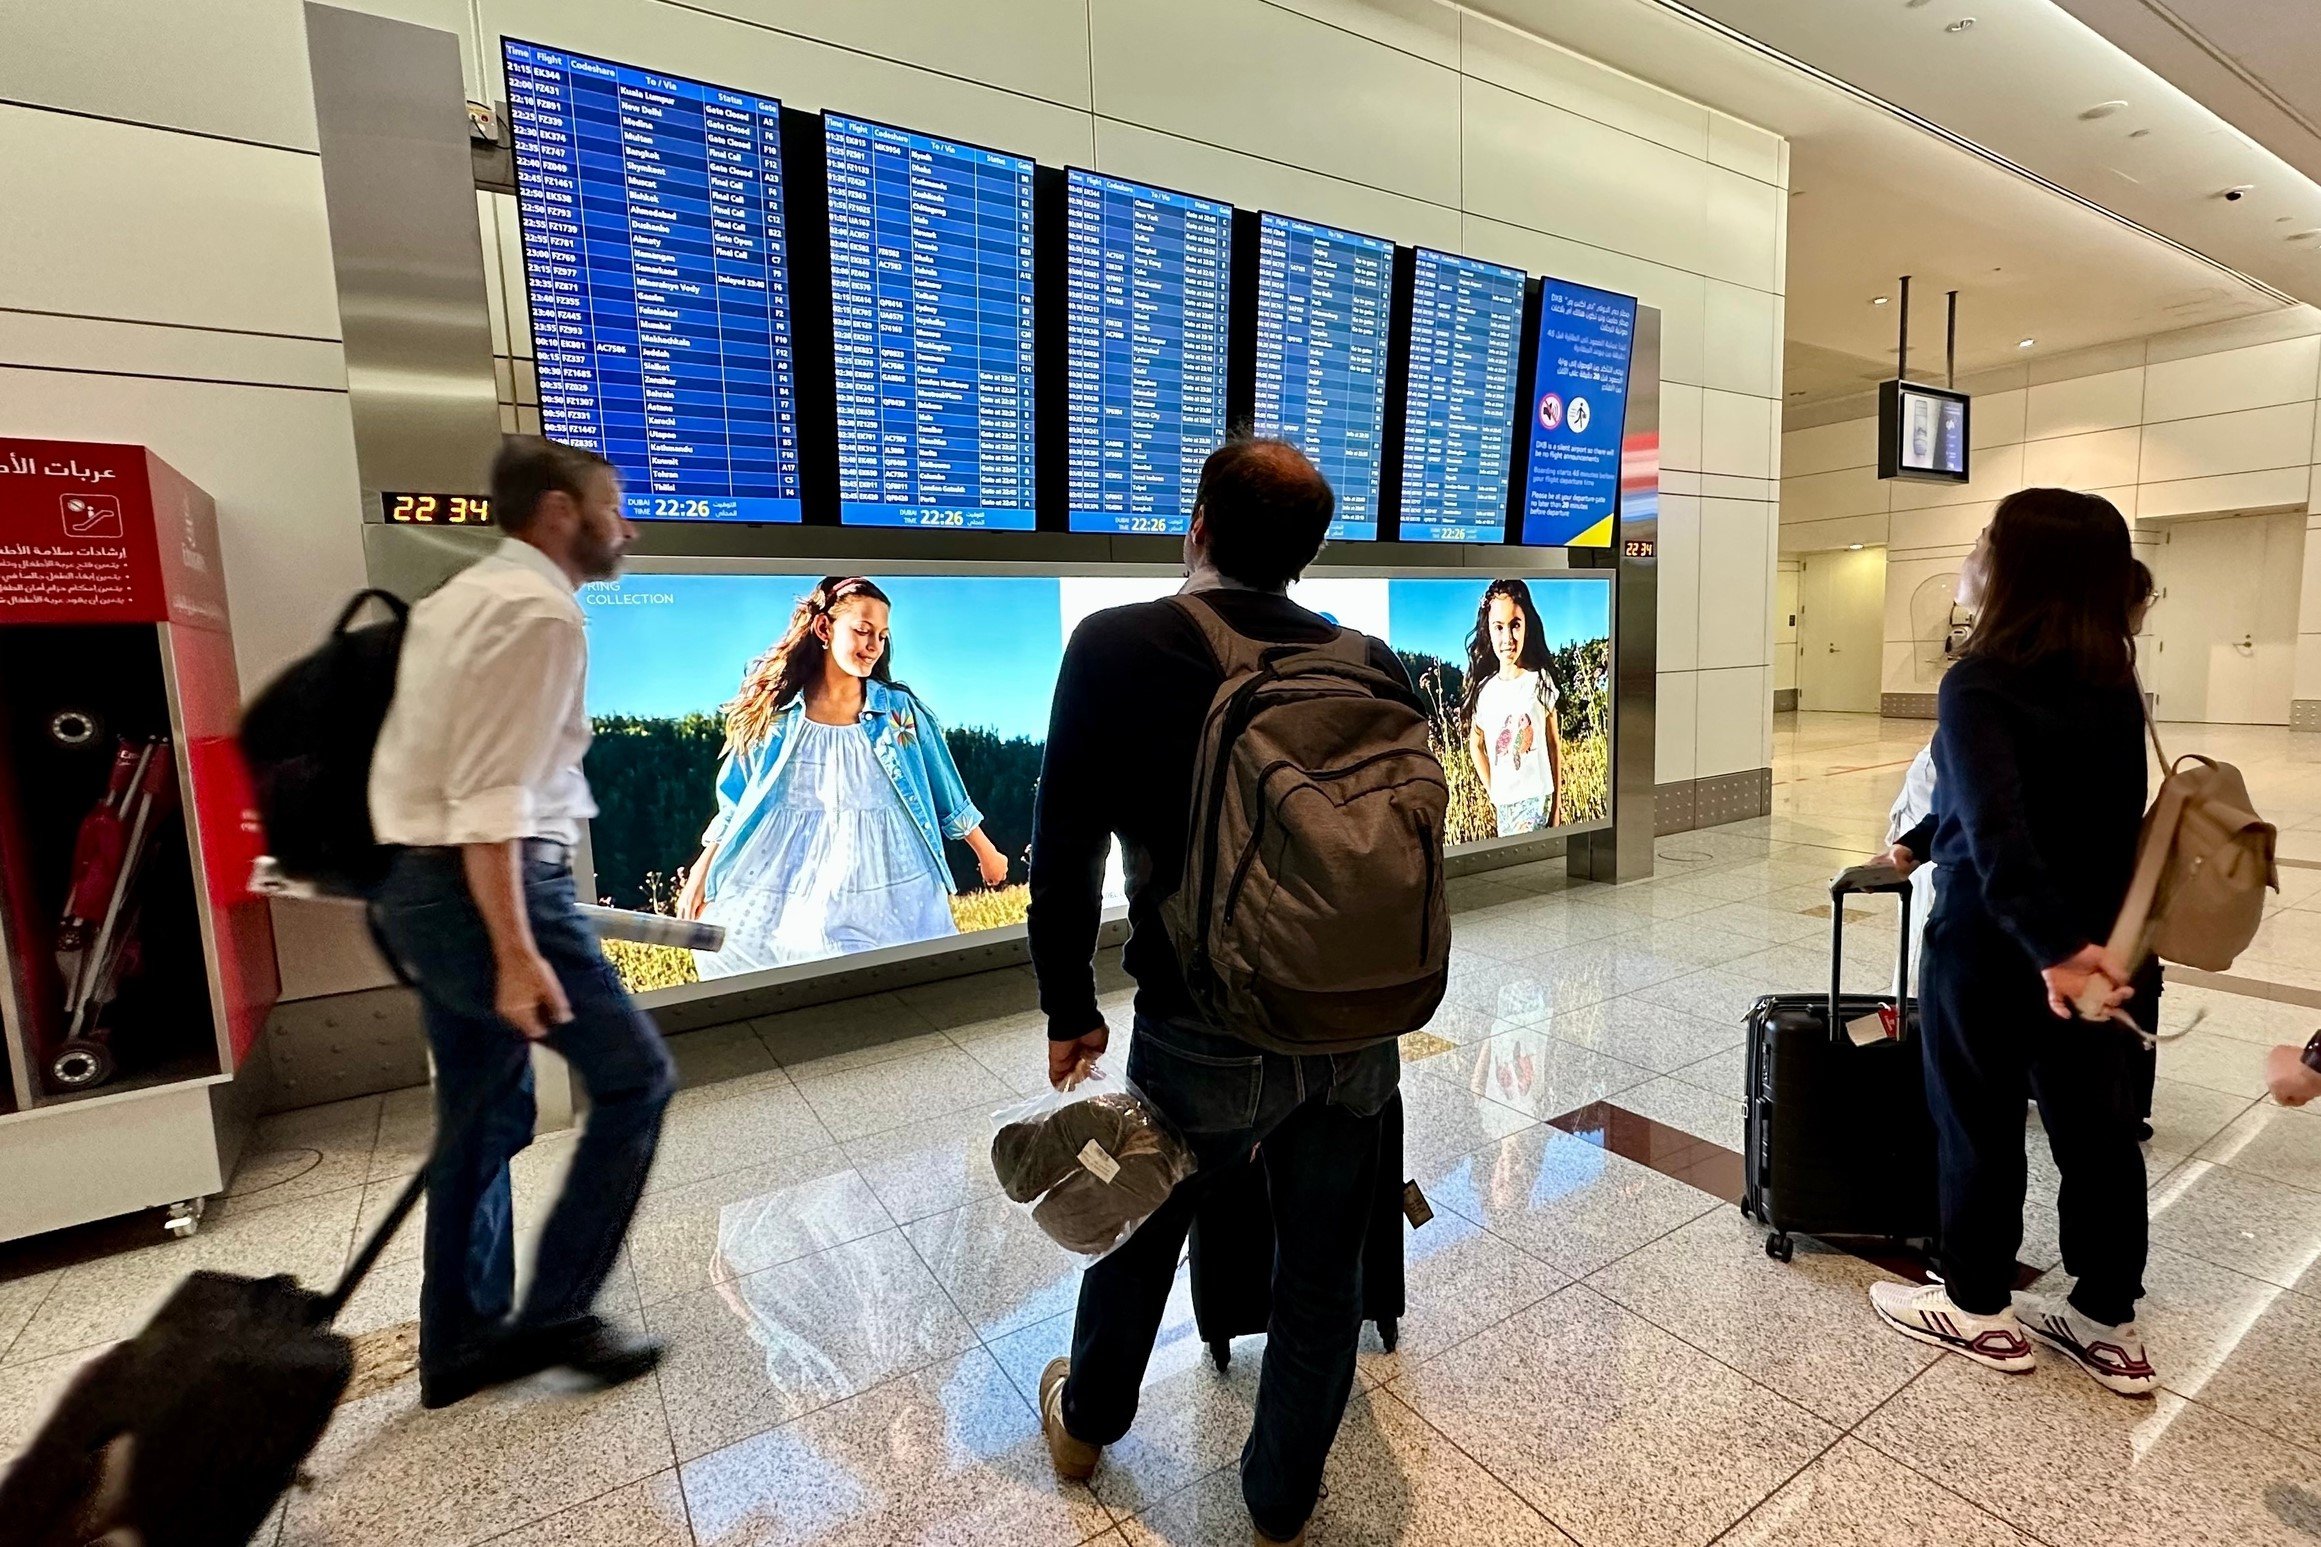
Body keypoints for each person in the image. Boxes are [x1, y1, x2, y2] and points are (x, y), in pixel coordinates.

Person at [1027, 436, 1415, 1547]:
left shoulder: (1116, 644)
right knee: (1321, 1263)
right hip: (1355, 1020)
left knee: (1141, 1222)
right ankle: (1279, 1495)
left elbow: (1064, 849)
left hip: (1205, 1016)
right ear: (1305, 553)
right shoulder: (1369, 660)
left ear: (1193, 524)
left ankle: (1088, 1419)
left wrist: (1069, 1004)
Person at [367, 437, 675, 1410]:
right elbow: (492, 796)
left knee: (481, 1107)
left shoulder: (462, 597)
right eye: (612, 505)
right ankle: (554, 1315)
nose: (624, 525)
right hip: (487, 890)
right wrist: (512, 948)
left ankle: (459, 1339)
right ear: (558, 512)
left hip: (419, 883)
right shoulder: (539, 610)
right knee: (634, 1079)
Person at [1871, 489, 2162, 1399]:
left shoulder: (1978, 679)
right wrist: (1921, 840)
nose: (1972, 555)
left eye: (1985, 541)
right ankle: (2106, 1318)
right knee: (2098, 1130)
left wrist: (2049, 950)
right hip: (2101, 948)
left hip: (1994, 947)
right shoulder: (2111, 681)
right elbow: (2067, 813)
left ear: (2015, 569)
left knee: (1976, 1119)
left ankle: (1977, 1305)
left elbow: (1998, 833)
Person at [674, 577, 1007, 975]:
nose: (873, 646)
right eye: (863, 631)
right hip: (793, 867)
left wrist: (986, 850)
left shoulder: (897, 711)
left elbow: (944, 783)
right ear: (824, 629)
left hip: (890, 869)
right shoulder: (778, 717)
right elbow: (734, 802)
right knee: (733, 944)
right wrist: (700, 872)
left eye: (882, 637)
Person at [1462, 578, 1566, 835]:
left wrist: (1558, 805)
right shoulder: (1485, 692)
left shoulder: (1539, 680)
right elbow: (1475, 745)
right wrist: (1493, 792)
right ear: (1488, 630)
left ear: (1526, 627)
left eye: (1515, 625)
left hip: (1537, 798)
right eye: (1498, 627)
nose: (1507, 637)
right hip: (1504, 806)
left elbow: (1553, 743)